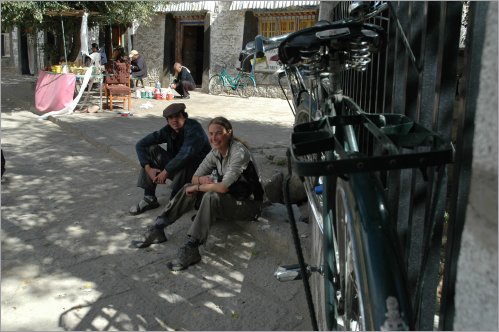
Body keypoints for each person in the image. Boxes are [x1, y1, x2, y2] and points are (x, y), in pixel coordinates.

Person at [132, 116, 265, 271]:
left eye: (218, 133)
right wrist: (200, 181)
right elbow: (195, 178)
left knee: (209, 195)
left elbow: (221, 188)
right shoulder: (216, 152)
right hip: (230, 199)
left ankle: (192, 247)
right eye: (210, 134)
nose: (213, 138)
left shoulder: (239, 153)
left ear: (229, 133)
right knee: (189, 186)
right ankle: (159, 227)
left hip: (250, 205)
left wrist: (199, 187)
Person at [129, 103, 211, 216]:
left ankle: (175, 202)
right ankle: (149, 198)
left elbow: (185, 154)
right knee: (152, 149)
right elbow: (141, 144)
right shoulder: (168, 130)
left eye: (177, 116)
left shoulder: (194, 128)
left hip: (199, 174)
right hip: (179, 170)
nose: (174, 120)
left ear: (184, 117)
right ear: (167, 121)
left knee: (186, 160)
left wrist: (165, 171)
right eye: (171, 118)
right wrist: (149, 169)